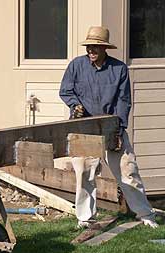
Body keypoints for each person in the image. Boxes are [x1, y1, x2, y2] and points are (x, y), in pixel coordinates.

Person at [59, 26, 158, 229]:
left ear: (105, 49)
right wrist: (75, 105)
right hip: (84, 127)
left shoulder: (119, 69)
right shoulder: (76, 65)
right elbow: (65, 90)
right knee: (84, 173)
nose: (91, 51)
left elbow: (123, 101)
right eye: (89, 47)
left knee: (128, 171)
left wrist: (119, 129)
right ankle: (85, 218)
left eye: (95, 47)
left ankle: (145, 215)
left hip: (112, 127)